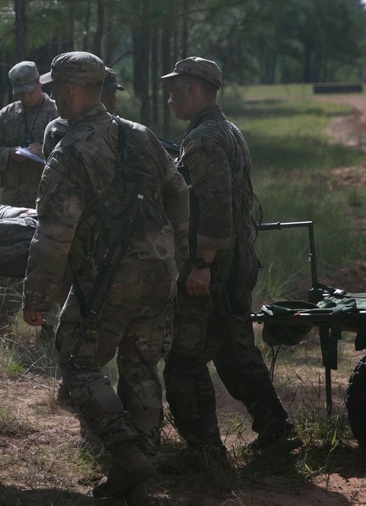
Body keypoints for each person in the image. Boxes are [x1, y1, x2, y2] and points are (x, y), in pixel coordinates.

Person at [22, 51, 189, 500]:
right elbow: (178, 195)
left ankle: (126, 454)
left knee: (77, 360)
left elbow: (53, 236)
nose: (53, 98)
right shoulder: (140, 135)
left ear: (71, 92)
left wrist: (36, 296)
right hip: (160, 270)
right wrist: (179, 255)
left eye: (56, 89)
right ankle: (144, 463)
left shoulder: (70, 151)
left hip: (110, 277)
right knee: (140, 363)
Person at [160, 56, 298, 462]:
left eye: (174, 89)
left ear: (194, 89)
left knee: (184, 359)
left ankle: (205, 453)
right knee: (235, 352)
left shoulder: (204, 139)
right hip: (235, 259)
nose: (169, 98)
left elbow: (215, 206)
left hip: (215, 266)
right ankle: (277, 430)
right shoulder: (226, 129)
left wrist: (201, 264)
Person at [0, 61, 58, 332]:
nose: (25, 96)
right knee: (8, 260)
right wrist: (11, 153)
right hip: (13, 199)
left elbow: (76, 151)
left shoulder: (58, 113)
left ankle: (50, 326)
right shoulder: (5, 116)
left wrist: (45, 153)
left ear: (39, 83)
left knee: (50, 259)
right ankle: (3, 323)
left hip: (50, 199)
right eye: (20, 92)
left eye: (29, 90)